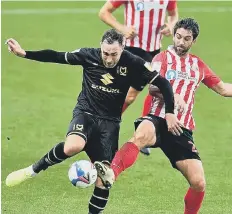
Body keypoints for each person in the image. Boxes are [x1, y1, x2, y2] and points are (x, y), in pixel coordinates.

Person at [94, 18, 232, 214]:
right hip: (158, 118)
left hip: (181, 128)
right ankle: (111, 173)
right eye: (178, 37)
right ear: (173, 35)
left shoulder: (198, 65)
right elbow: (154, 87)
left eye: (186, 39)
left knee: (198, 182)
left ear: (194, 41)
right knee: (141, 135)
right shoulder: (161, 58)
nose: (181, 42)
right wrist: (174, 96)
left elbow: (223, 88)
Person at [4, 29, 182, 214]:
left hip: (110, 123)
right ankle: (32, 170)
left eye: (114, 54)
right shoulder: (88, 55)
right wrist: (24, 53)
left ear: (122, 49)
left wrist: (170, 113)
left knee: (104, 180)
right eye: (106, 53)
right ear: (101, 47)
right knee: (73, 146)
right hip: (86, 113)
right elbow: (56, 56)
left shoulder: (134, 62)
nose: (109, 59)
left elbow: (163, 83)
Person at [99, 0, 179, 155]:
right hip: (132, 50)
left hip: (155, 52)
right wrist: (122, 28)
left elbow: (173, 14)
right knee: (128, 96)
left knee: (155, 90)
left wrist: (171, 26)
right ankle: (105, 126)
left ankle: (141, 130)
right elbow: (104, 12)